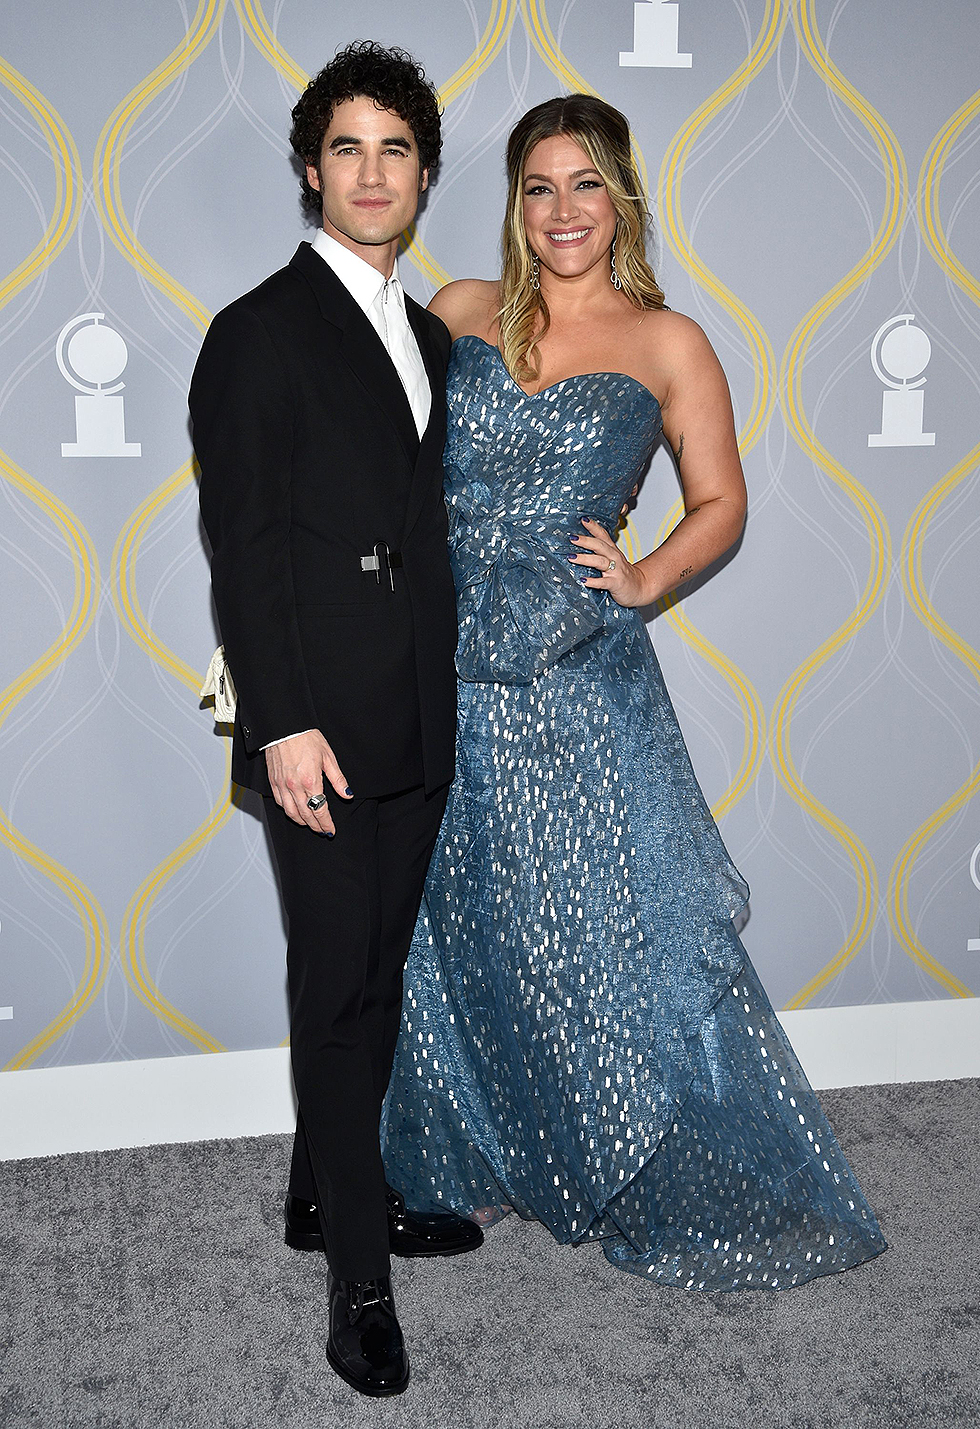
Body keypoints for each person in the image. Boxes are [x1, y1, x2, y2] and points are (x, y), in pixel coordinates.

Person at [381, 94, 887, 1291]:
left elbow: (722, 500)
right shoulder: (454, 311)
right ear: (514, 203)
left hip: (574, 685)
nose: (561, 211)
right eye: (538, 187)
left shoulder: (668, 343)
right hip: (441, 669)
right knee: (465, 927)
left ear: (621, 198)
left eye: (584, 184)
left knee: (600, 934)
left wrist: (644, 572)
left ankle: (626, 1154)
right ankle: (488, 1156)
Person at [190, 42, 482, 1400]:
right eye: (347, 148)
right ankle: (356, 1279)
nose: (373, 173)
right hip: (324, 727)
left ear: (424, 174)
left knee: (375, 973)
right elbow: (244, 551)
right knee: (341, 989)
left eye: (397, 149)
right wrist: (283, 727)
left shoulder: (427, 334)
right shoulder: (256, 331)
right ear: (313, 170)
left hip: (420, 714)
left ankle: (327, 1191)